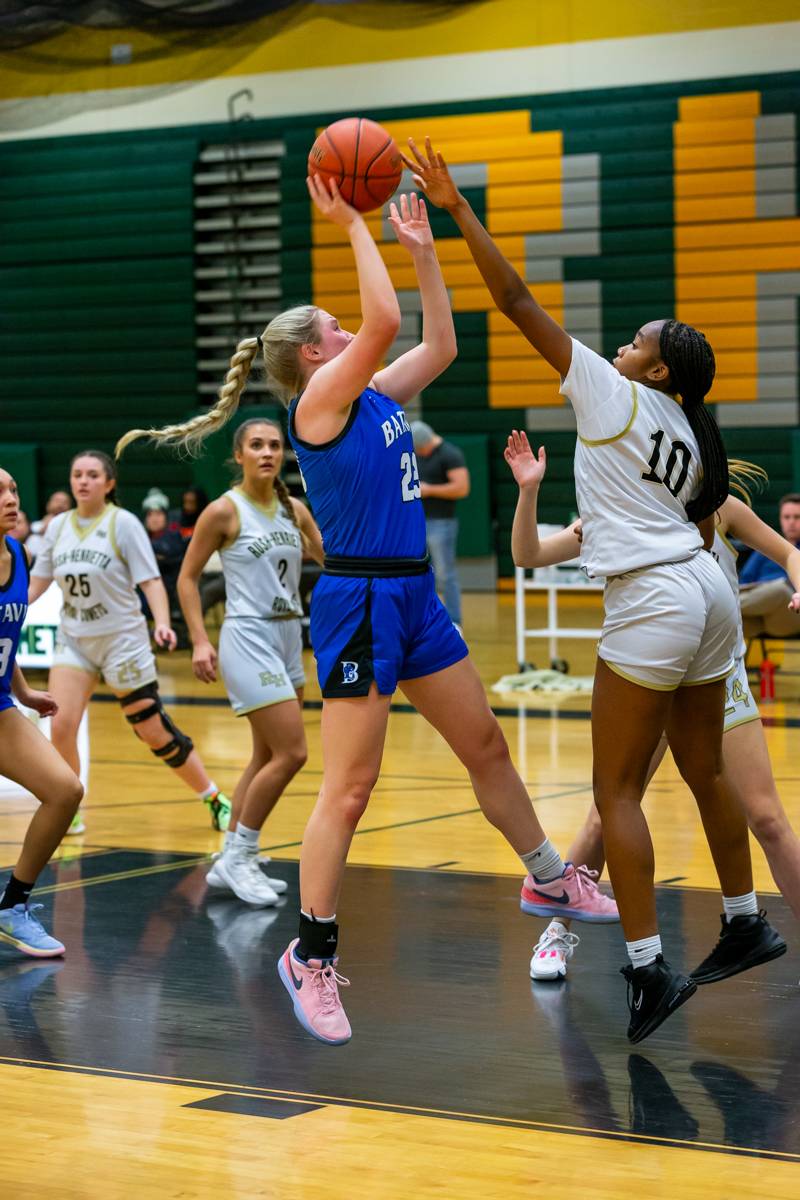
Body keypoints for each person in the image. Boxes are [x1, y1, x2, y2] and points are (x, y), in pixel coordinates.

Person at [114, 181, 618, 1048]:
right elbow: (381, 323)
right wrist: (350, 221)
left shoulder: (375, 392)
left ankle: (547, 877)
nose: (352, 328)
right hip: (356, 602)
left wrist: (423, 248)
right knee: (349, 789)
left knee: (486, 744)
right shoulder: (314, 409)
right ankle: (310, 956)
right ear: (313, 357)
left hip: (413, 593)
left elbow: (442, 341)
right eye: (335, 331)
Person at [405, 136, 786, 1041]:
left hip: (654, 598)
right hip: (706, 593)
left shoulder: (612, 396)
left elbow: (516, 299)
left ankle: (651, 970)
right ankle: (743, 919)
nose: (623, 341)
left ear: (654, 370)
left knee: (615, 790)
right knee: (702, 774)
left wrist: (459, 211)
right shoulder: (693, 433)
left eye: (638, 341)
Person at [506, 443, 800, 980]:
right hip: (650, 674)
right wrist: (528, 490)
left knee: (768, 817)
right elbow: (527, 555)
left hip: (716, 674)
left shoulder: (719, 507)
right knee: (611, 809)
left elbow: (790, 553)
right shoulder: (616, 513)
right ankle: (557, 932)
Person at [27, 450, 232, 836]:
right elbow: (37, 583)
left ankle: (214, 796)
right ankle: (68, 807)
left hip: (122, 639)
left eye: (92, 474)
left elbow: (150, 580)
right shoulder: (58, 528)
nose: (83, 481)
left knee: (151, 730)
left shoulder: (122, 524)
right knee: (61, 724)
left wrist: (160, 623)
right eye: (77, 474)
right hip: (75, 640)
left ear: (109, 483)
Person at [177, 418, 324, 906]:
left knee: (266, 755)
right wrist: (200, 640)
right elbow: (187, 579)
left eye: (275, 446)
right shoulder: (224, 510)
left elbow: (332, 561)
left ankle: (229, 857)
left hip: (287, 636)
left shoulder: (293, 509)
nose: (267, 452)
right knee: (292, 754)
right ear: (237, 455)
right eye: (256, 445)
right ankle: (242, 855)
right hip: (247, 635)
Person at [0, 466, 83, 957]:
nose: (11, 498)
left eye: (13, 488)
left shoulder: (19, 554)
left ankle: (12, 906)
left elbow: (5, 641)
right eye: (0, 492)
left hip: (3, 705)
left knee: (65, 790)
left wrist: (25, 693)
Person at [410, 420, 470, 628]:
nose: (420, 453)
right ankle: (424, 620)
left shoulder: (450, 454)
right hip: (417, 522)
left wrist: (430, 490)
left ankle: (455, 621)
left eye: (421, 449)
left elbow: (462, 488)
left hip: (441, 522)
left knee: (445, 573)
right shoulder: (415, 454)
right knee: (419, 573)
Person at [739, 492, 800, 641]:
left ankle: (719, 606)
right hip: (760, 615)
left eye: (797, 517)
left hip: (791, 615)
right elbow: (745, 581)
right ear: (780, 519)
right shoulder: (767, 547)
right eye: (786, 517)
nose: (791, 522)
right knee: (737, 624)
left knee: (779, 590)